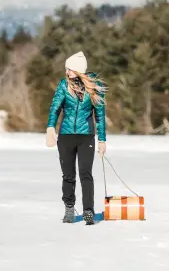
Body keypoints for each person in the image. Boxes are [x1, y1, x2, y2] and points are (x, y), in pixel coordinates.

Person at [46, 51, 108, 225]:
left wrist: (102, 140)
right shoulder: (63, 85)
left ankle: (88, 210)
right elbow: (55, 108)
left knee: (85, 173)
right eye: (66, 69)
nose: (67, 72)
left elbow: (100, 115)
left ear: (79, 70)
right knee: (68, 175)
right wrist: (51, 126)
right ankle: (69, 208)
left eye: (70, 69)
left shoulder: (93, 87)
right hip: (66, 136)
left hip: (85, 136)